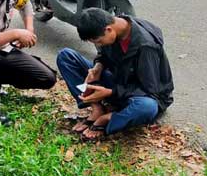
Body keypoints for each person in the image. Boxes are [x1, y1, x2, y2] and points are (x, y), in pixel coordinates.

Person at [56, 8, 174, 142]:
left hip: (144, 93)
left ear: (108, 29)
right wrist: (97, 67)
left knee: (147, 107)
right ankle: (97, 109)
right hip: (118, 80)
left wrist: (110, 92)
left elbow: (150, 89)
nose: (98, 45)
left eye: (99, 41)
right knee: (66, 56)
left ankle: (108, 118)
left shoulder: (146, 46)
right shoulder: (115, 26)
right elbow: (103, 55)